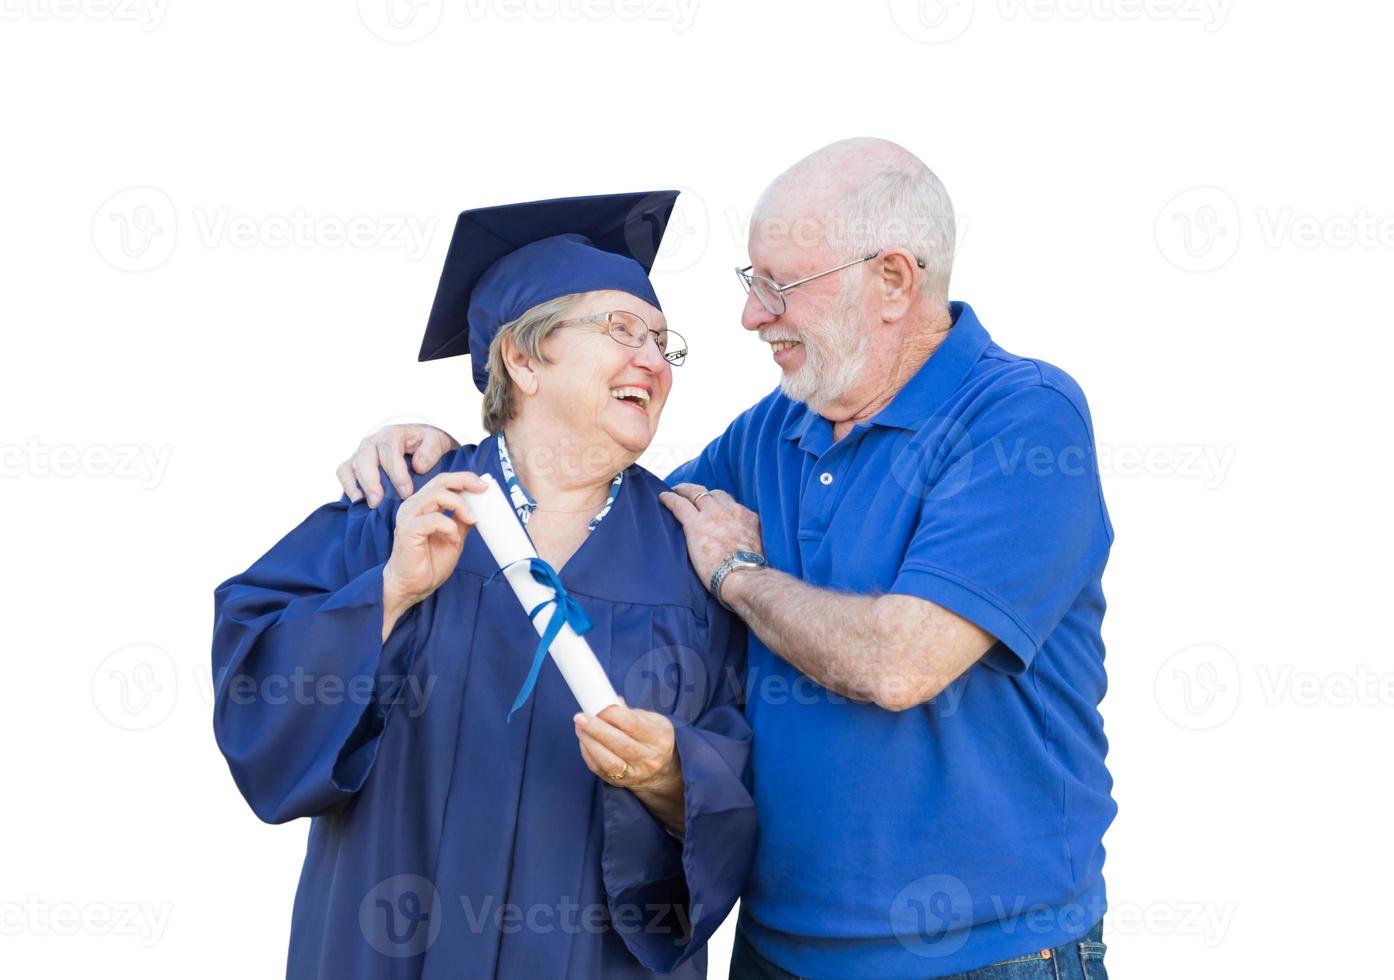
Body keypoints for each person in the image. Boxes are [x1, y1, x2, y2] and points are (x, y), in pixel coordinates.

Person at [340, 139, 1116, 980]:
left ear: (892, 281)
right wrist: (460, 453)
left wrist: (739, 575)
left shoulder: (1020, 421)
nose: (752, 317)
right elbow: (599, 523)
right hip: (777, 945)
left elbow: (901, 662)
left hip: (984, 953)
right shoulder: (773, 432)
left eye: (779, 286)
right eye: (752, 285)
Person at [211, 191, 756, 980]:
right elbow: (254, 699)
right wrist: (389, 595)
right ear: (524, 359)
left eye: (662, 344)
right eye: (621, 330)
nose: (651, 359)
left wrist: (674, 776)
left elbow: (752, 772)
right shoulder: (397, 511)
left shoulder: (687, 559)